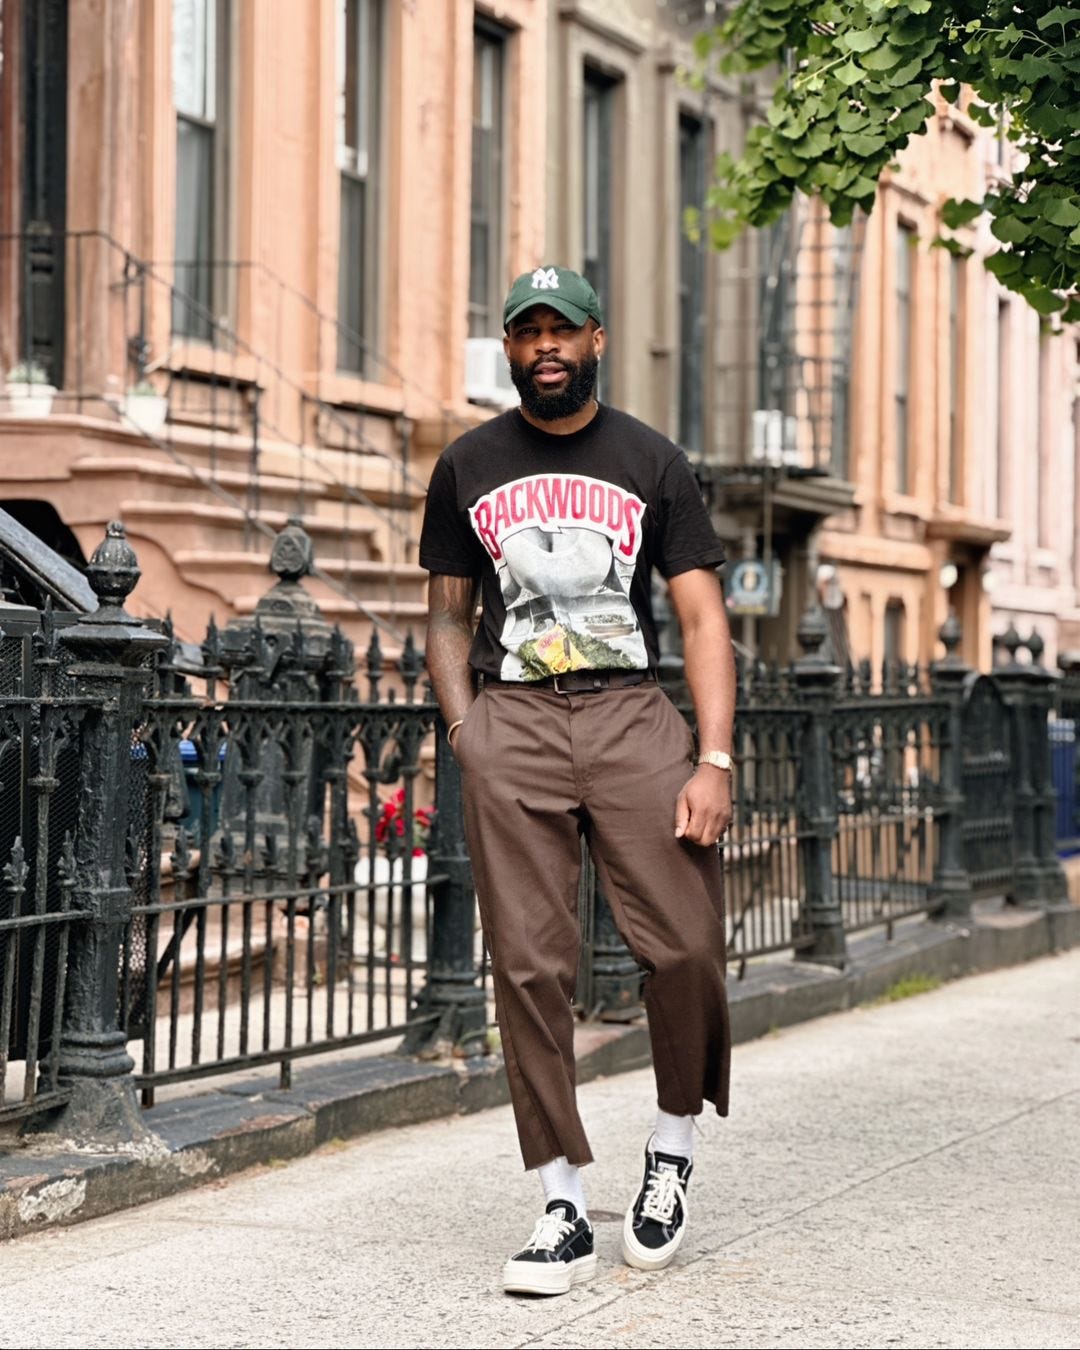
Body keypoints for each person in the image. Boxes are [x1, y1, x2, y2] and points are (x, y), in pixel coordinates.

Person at [419, 265, 735, 1296]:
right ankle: (560, 1203)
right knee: (527, 967)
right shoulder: (467, 464)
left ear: (597, 339)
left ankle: (672, 1149)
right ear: (509, 348)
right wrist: (467, 727)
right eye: (528, 332)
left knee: (683, 944)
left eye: (564, 329)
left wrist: (714, 757)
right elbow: (446, 615)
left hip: (630, 715)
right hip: (512, 721)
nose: (546, 346)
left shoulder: (652, 459)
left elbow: (699, 620)